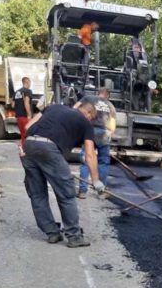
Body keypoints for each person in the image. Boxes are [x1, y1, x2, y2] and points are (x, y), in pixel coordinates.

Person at [21, 102, 105, 247]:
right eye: (91, 118)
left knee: (37, 194)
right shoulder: (85, 123)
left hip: (29, 144)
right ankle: (74, 236)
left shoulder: (54, 107)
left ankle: (52, 233)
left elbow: (28, 127)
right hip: (48, 147)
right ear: (89, 114)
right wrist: (96, 181)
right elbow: (90, 155)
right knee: (66, 193)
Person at [77, 87, 116, 198]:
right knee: (103, 162)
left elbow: (76, 108)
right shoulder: (110, 105)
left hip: (91, 131)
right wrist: (109, 136)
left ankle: (82, 191)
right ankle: (101, 192)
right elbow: (113, 124)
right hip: (104, 133)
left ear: (97, 93)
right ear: (108, 95)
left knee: (86, 160)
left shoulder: (89, 98)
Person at [14, 77, 33, 146]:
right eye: (30, 82)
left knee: (22, 135)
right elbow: (26, 103)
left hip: (19, 116)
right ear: (27, 82)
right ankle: (26, 151)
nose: (30, 84)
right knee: (28, 135)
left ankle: (22, 149)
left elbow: (13, 104)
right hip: (25, 116)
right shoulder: (28, 91)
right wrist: (29, 115)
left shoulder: (17, 92)